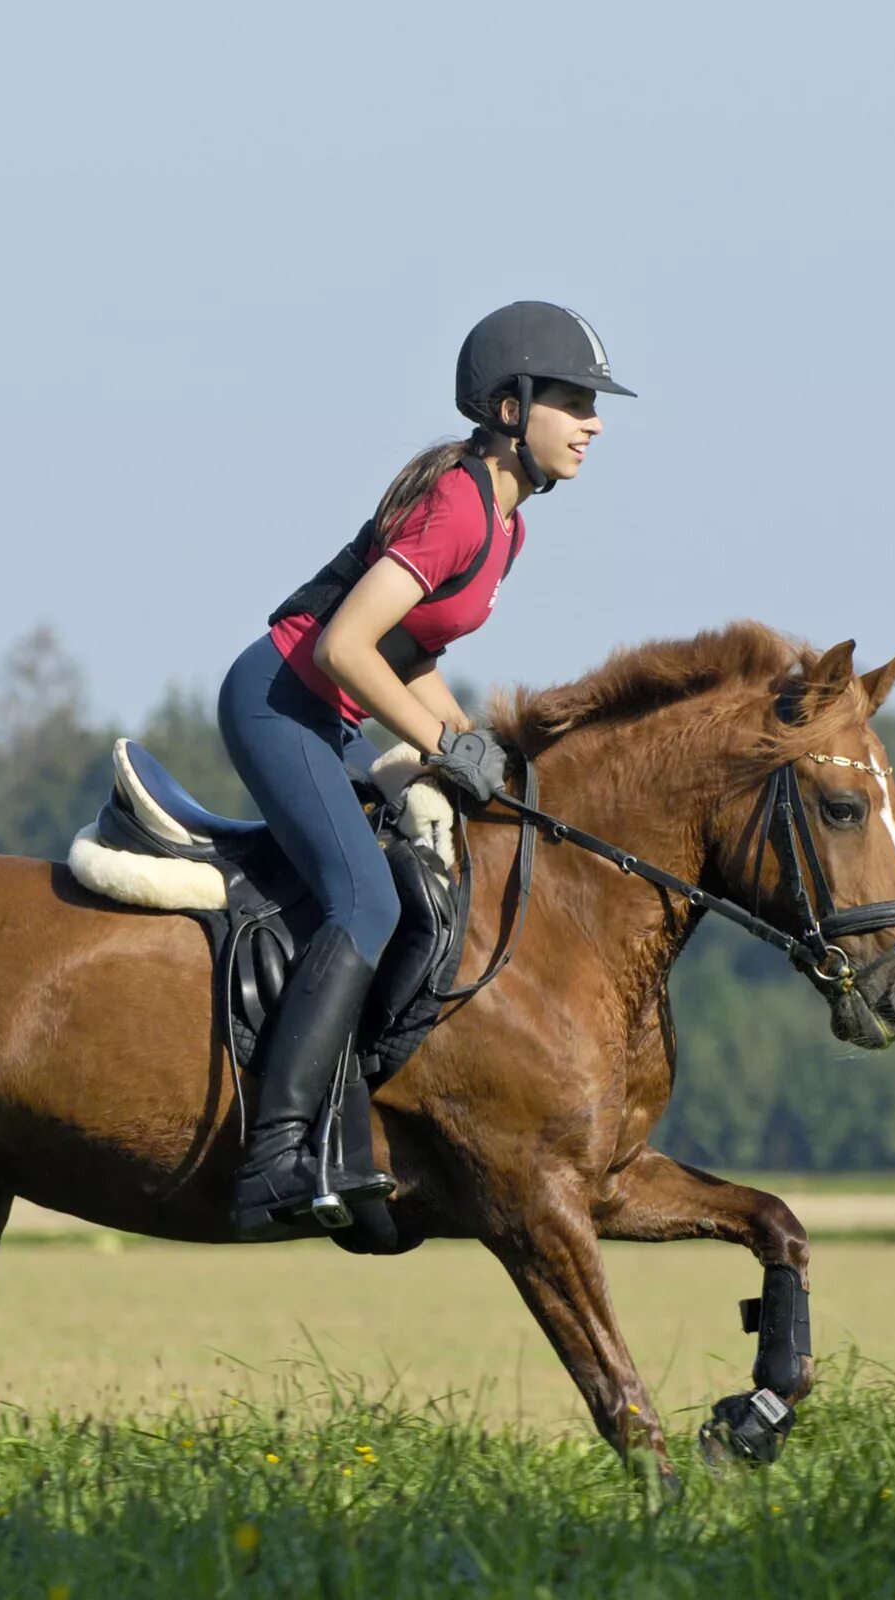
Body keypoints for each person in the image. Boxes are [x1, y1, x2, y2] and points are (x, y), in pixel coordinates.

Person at [219, 301, 634, 1237]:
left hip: (324, 710)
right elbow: (344, 647)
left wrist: (477, 743)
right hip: (280, 702)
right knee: (367, 901)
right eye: (574, 401)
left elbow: (411, 653)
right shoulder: (457, 503)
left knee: (417, 887)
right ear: (509, 408)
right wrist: (445, 747)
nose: (594, 423)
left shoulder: (507, 525)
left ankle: (348, 1117)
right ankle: (277, 1154)